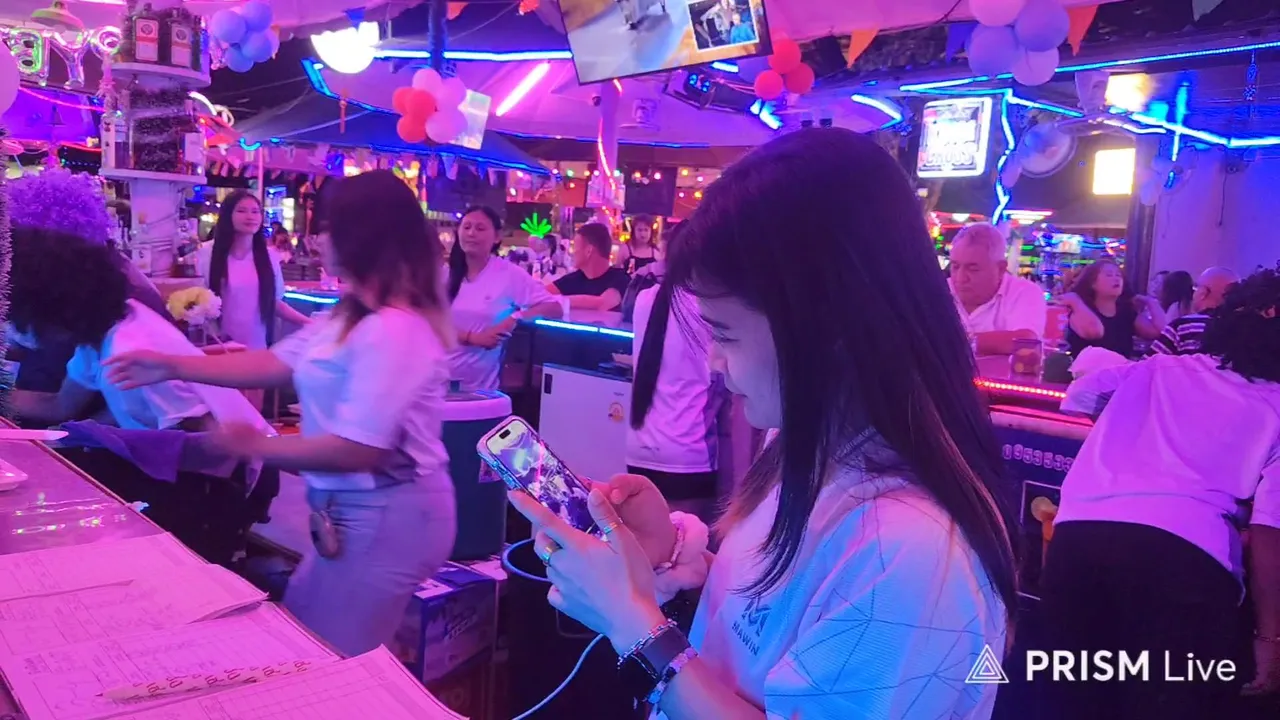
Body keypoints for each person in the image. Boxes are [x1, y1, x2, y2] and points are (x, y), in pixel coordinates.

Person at [508, 128, 1016, 718]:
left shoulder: (913, 553)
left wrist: (633, 626)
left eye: (725, 334)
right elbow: (781, 629)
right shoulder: (807, 443)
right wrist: (676, 559)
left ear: (826, 327)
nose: (714, 361)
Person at [104, 170, 457, 657]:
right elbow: (275, 362)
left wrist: (255, 446)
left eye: (328, 226)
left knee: (329, 658)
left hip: (389, 515)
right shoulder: (352, 315)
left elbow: (356, 450)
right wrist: (172, 364)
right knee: (316, 638)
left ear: (361, 235)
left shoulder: (396, 330)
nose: (318, 238)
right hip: (353, 512)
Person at [1040, 267, 1280, 719]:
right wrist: (1270, 638)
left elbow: (1081, 395)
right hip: (1183, 565)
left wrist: (1136, 437)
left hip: (1078, 545)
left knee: (1072, 704)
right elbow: (1270, 532)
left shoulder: (1159, 367)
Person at [7, 227, 270, 433]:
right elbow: (60, 405)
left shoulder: (128, 350)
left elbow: (203, 436)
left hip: (232, 475)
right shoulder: (104, 330)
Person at [627, 264, 727, 522]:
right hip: (687, 453)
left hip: (639, 449)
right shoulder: (706, 304)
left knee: (646, 543)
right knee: (687, 542)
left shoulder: (644, 298)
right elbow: (723, 374)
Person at [447, 206, 563, 391]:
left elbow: (554, 308)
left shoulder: (509, 274)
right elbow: (427, 322)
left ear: (497, 237)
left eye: (480, 228)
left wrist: (514, 318)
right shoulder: (443, 274)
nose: (471, 233)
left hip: (481, 390)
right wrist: (473, 338)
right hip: (435, 383)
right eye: (466, 227)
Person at [198, 191, 311, 351]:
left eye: (255, 211)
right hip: (217, 347)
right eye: (241, 211)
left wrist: (309, 323)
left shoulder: (269, 257)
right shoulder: (205, 253)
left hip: (257, 347)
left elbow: (274, 303)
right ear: (227, 215)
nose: (250, 217)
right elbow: (196, 302)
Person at [949, 223, 1048, 355]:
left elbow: (1026, 341)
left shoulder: (1024, 292)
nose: (960, 278)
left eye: (973, 269)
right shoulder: (939, 291)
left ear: (1000, 269)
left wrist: (954, 342)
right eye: (955, 267)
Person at [1058, 258, 1164, 358]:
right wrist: (1076, 302)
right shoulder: (1081, 308)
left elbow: (1159, 332)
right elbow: (1094, 332)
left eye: (1118, 275)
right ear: (1093, 283)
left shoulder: (1126, 311)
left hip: (1121, 370)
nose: (1116, 279)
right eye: (1109, 275)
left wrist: (1151, 302)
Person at [1147, 266, 1240, 357]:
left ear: (1203, 293)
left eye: (1196, 288)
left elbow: (1148, 363)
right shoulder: (1240, 330)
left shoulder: (1182, 326)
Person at [549, 223, 631, 312]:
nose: (572, 252)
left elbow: (602, 303)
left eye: (575, 247)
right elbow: (542, 296)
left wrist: (560, 300)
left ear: (589, 251)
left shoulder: (620, 279)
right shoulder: (573, 279)